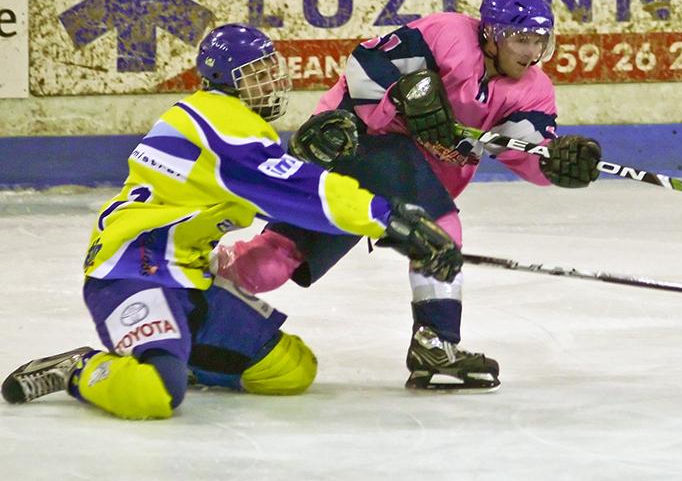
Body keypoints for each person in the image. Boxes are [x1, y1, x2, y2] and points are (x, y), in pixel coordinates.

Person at [1, 24, 462, 420]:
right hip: (132, 269)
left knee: (290, 368)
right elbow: (292, 192)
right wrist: (388, 219)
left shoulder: (233, 123)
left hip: (191, 274)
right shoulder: (215, 123)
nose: (269, 85)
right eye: (255, 77)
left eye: (269, 73)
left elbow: (270, 187)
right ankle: (80, 368)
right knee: (156, 393)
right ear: (224, 81)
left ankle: (178, 350)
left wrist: (309, 171)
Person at [213, 0, 602, 391]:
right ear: (490, 34)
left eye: (539, 40)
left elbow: (521, 147)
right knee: (439, 226)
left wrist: (554, 163)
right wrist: (400, 95)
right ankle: (435, 343)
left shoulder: (533, 89)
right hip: (356, 144)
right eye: (520, 38)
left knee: (272, 264)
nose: (530, 51)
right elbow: (366, 63)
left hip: (405, 174)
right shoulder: (448, 34)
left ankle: (194, 277)